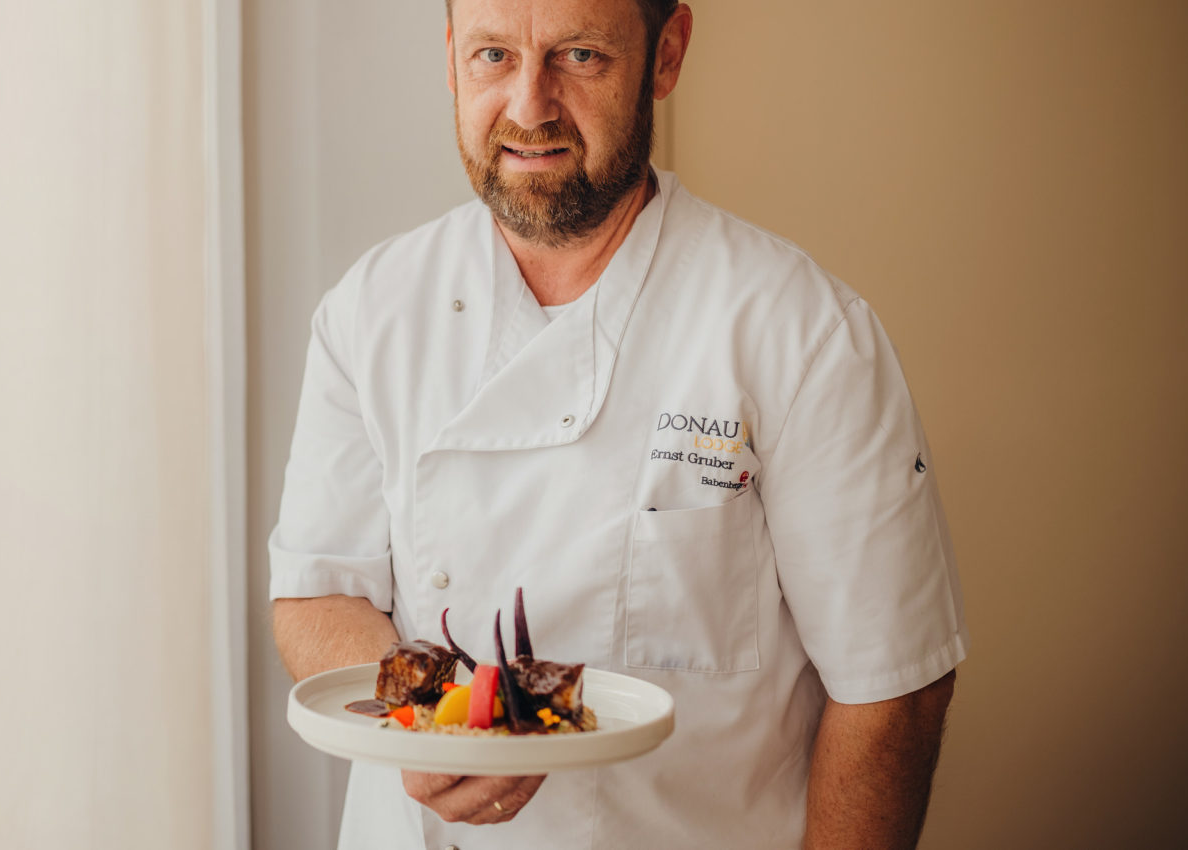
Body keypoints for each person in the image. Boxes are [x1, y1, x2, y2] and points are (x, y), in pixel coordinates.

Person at [268, 0, 968, 847]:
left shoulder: (803, 333)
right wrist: (436, 719)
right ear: (451, 56)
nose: (530, 107)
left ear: (665, 55)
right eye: (493, 55)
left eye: (580, 55)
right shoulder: (370, 311)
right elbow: (319, 590)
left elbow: (892, 689)